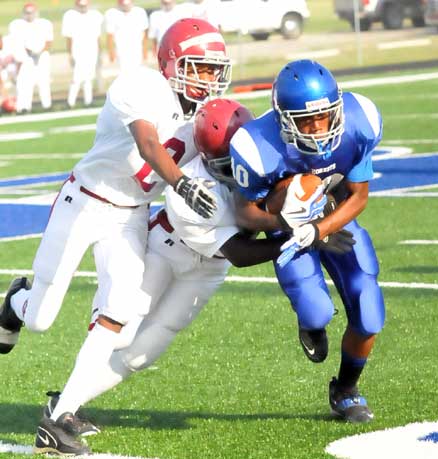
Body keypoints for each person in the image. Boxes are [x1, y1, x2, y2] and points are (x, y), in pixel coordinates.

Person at [33, 98, 354, 455]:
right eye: (225, 165)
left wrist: (318, 219)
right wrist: (301, 235)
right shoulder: (195, 187)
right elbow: (240, 252)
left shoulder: (264, 157)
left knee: (141, 355)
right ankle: (61, 415)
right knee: (119, 328)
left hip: (208, 269)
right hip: (168, 249)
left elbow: (301, 190)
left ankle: (64, 403)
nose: (236, 172)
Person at [0, 18, 233, 453]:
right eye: (199, 67)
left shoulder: (205, 115)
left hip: (132, 215)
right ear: (171, 63)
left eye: (214, 69)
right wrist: (182, 184)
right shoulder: (142, 85)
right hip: (85, 202)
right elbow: (148, 144)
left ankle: (60, 414)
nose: (208, 79)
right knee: (41, 318)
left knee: (122, 314)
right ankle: (15, 303)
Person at [230, 59, 385, 423]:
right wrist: (284, 220)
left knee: (370, 310)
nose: (318, 129)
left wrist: (319, 229)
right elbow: (244, 213)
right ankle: (310, 322)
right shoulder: (257, 145)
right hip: (287, 228)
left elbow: (358, 197)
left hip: (334, 218)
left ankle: (346, 389)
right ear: (284, 118)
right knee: (317, 309)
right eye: (306, 120)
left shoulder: (359, 120)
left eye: (324, 117)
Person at [8, 2, 53, 113]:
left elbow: (49, 41)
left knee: (44, 81)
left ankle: (47, 105)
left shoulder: (44, 24)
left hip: (41, 56)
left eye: (31, 13)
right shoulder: (17, 25)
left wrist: (39, 51)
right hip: (26, 58)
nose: (29, 15)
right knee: (24, 83)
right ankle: (24, 107)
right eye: (27, 13)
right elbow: (16, 43)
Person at [62, 0, 103, 108]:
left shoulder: (95, 15)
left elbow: (98, 36)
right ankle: (70, 102)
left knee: (89, 77)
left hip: (92, 50)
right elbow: (69, 37)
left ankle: (88, 101)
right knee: (77, 77)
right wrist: (70, 53)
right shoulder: (70, 16)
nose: (83, 8)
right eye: (81, 5)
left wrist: (100, 51)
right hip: (78, 50)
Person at [105, 0, 149, 72]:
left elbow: (144, 33)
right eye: (123, 5)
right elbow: (110, 35)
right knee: (124, 73)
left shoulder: (140, 12)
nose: (125, 7)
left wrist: (145, 50)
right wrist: (111, 52)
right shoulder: (111, 13)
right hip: (121, 50)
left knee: (138, 71)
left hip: (137, 48)